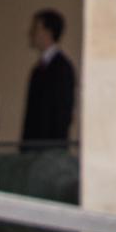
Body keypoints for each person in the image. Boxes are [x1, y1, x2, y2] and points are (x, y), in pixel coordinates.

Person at [22, 8, 76, 150]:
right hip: (34, 152)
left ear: (48, 32)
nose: (31, 33)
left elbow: (62, 115)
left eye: (36, 28)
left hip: (50, 153)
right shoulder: (38, 69)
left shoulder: (62, 68)